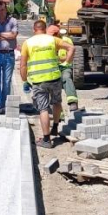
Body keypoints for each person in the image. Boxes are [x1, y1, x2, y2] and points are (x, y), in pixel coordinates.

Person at [20, 20, 75, 148]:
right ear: (44, 29)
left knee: (43, 108)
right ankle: (55, 127)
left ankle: (46, 140)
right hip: (55, 78)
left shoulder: (28, 43)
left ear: (34, 30)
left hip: (39, 81)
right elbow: (71, 48)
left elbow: (22, 65)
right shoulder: (52, 40)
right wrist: (66, 63)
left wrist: (24, 80)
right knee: (56, 102)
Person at [47, 24, 79, 111]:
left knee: (66, 78)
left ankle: (73, 102)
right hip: (53, 67)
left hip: (65, 66)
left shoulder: (66, 40)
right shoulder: (47, 41)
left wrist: (62, 59)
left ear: (57, 34)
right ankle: (53, 107)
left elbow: (71, 53)